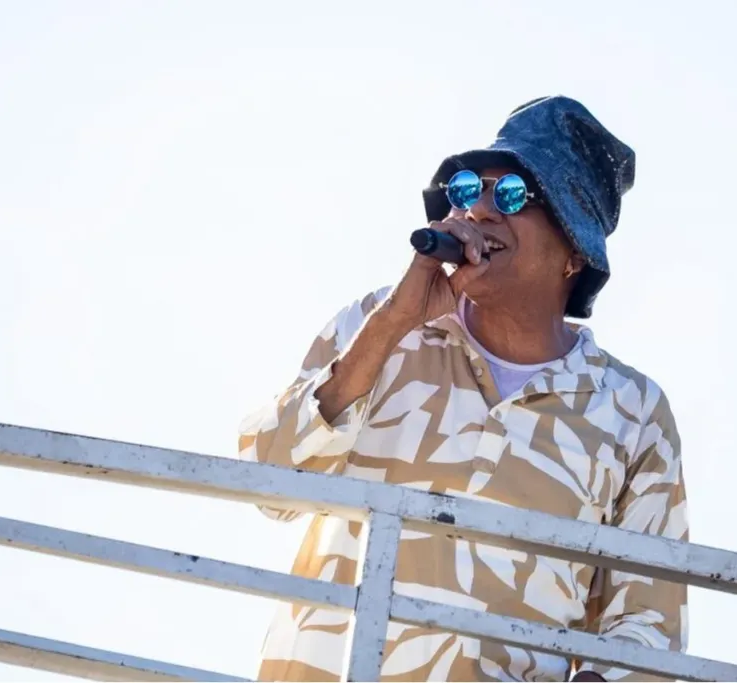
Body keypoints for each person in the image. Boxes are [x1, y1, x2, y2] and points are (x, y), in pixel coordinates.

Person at [238, 96, 688, 682]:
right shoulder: (378, 324)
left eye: (512, 195)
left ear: (575, 252)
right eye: (468, 189)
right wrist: (393, 324)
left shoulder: (633, 412)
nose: (478, 210)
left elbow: (647, 628)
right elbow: (267, 484)